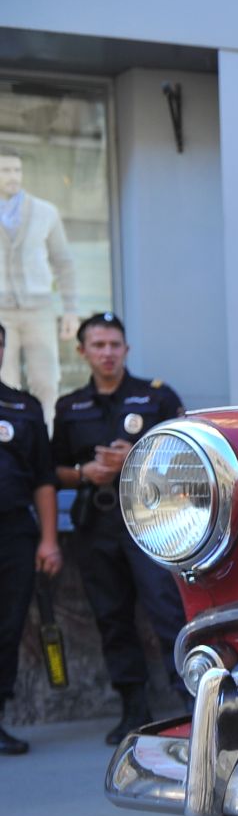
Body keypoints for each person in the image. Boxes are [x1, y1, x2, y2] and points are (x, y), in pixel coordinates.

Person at [51, 313, 188, 746]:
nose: (107, 353)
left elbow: (186, 456)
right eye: (98, 345)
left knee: (168, 611)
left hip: (152, 522)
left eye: (114, 344)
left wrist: (137, 457)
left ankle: (192, 704)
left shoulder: (157, 398)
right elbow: (52, 470)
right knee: (111, 618)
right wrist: (86, 471)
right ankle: (133, 708)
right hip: (98, 525)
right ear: (83, 353)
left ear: (126, 349)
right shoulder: (70, 406)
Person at [0, 320, 63, 754]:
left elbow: (43, 479)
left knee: (7, 629)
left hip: (14, 534)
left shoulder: (22, 408)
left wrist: (49, 539)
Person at [0, 150, 81, 425]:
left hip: (39, 307)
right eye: (5, 171)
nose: (12, 177)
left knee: (46, 380)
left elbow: (64, 262)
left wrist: (70, 310)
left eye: (16, 170)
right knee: (4, 380)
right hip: (1, 311)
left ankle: (47, 443)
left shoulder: (45, 212)